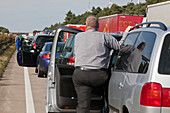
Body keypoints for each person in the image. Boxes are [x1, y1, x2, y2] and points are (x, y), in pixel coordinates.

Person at [72, 15, 129, 113]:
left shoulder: (78, 37)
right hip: (99, 76)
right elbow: (119, 47)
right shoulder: (105, 36)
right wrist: (126, 33)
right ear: (98, 26)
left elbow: (75, 54)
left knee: (83, 106)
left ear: (86, 25)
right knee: (109, 90)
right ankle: (105, 105)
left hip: (81, 74)